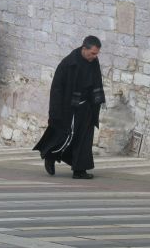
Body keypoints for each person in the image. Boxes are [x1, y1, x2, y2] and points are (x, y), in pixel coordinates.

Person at [33, 35, 105, 179]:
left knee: (84, 139)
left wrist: (95, 103)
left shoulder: (93, 62)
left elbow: (96, 82)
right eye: (92, 53)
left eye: (96, 53)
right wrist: (55, 112)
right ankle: (50, 156)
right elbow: (56, 90)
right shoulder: (67, 64)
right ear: (84, 49)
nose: (95, 56)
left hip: (87, 107)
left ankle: (80, 170)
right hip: (69, 108)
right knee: (66, 137)